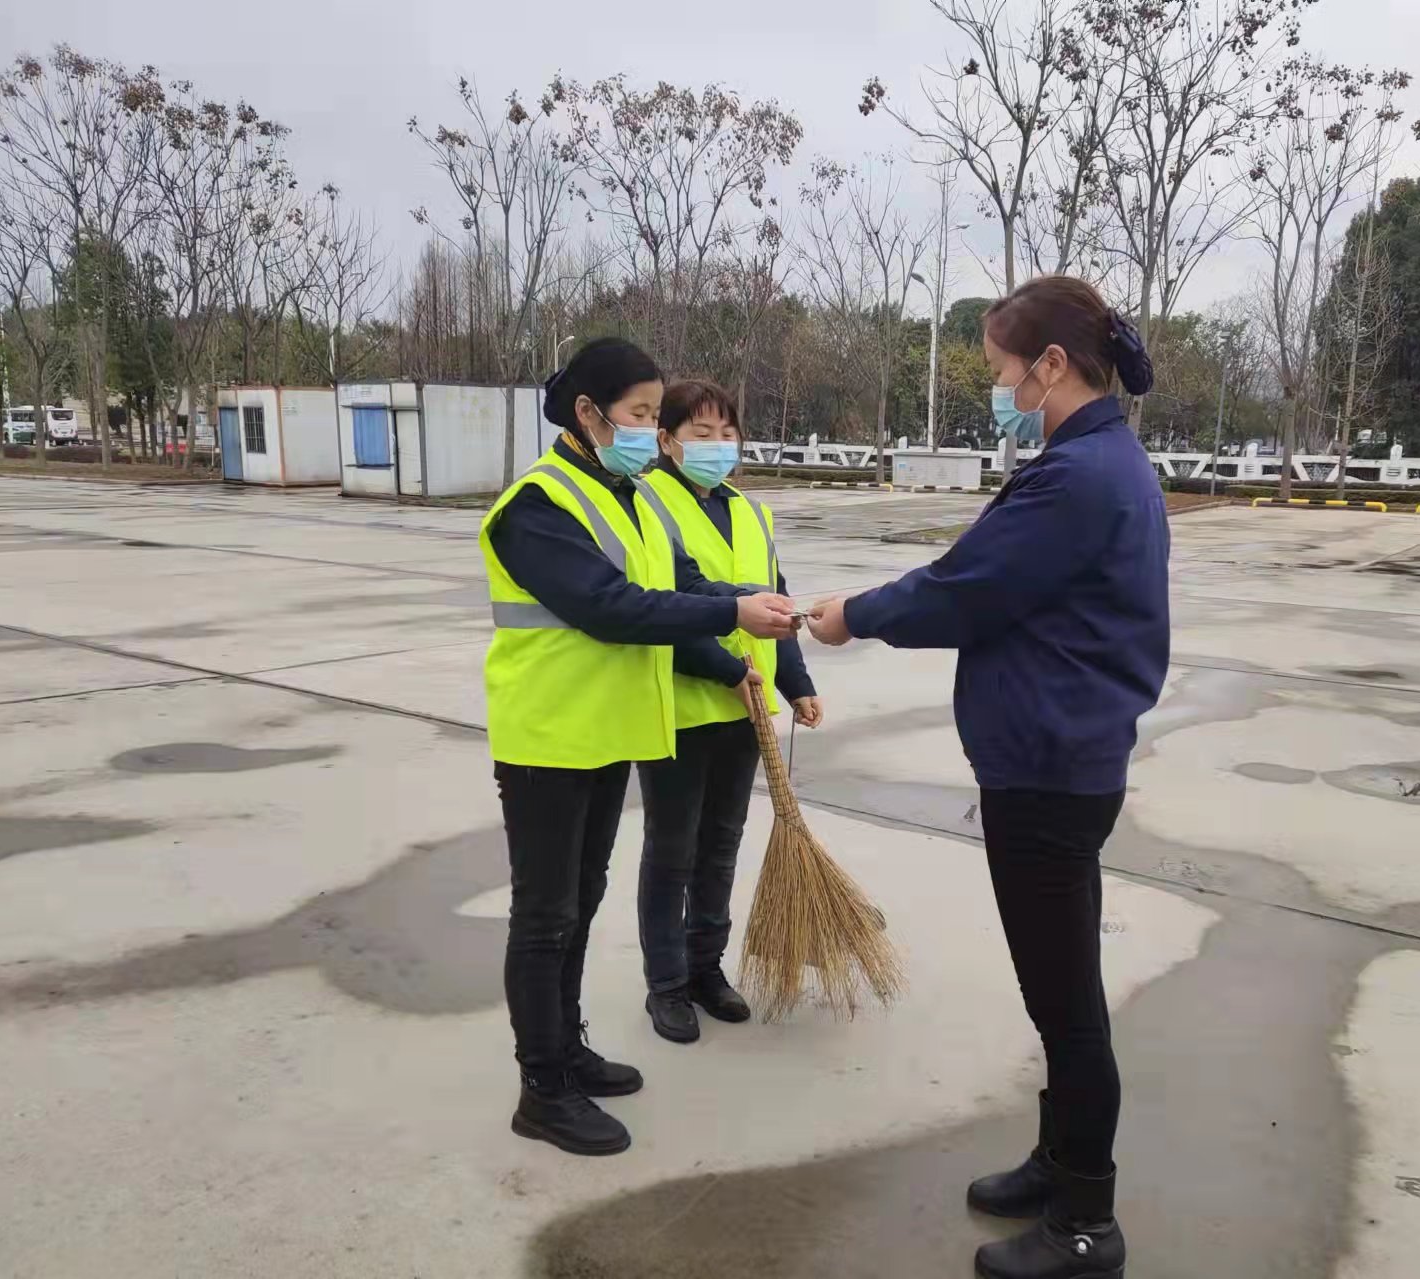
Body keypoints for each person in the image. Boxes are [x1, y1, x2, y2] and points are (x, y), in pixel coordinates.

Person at [807, 275, 1169, 1279]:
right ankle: (1057, 1161)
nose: (999, 382)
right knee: (1058, 990)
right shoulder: (1101, 461)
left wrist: (855, 615)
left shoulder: (1078, 477)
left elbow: (966, 588)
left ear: (1051, 366)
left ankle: (1085, 1221)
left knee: (1064, 1003)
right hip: (1060, 761)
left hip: (1048, 773)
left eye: (1005, 366)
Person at [480, 338, 798, 1158]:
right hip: (547, 740)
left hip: (602, 736)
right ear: (588, 413)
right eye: (641, 415)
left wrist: (749, 603)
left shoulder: (624, 495)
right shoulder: (537, 504)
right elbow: (613, 606)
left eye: (655, 415)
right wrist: (730, 617)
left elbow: (682, 586)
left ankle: (568, 1046)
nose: (649, 430)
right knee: (545, 915)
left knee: (579, 902)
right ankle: (540, 1086)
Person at [634, 379, 823, 1044]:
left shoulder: (749, 509)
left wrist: (794, 679)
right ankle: (666, 984)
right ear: (666, 440)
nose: (716, 446)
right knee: (672, 849)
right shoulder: (647, 502)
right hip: (682, 705)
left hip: (746, 706)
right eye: (699, 433)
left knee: (720, 846)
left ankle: (705, 967)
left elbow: (778, 598)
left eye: (726, 433)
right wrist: (726, 668)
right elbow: (660, 604)